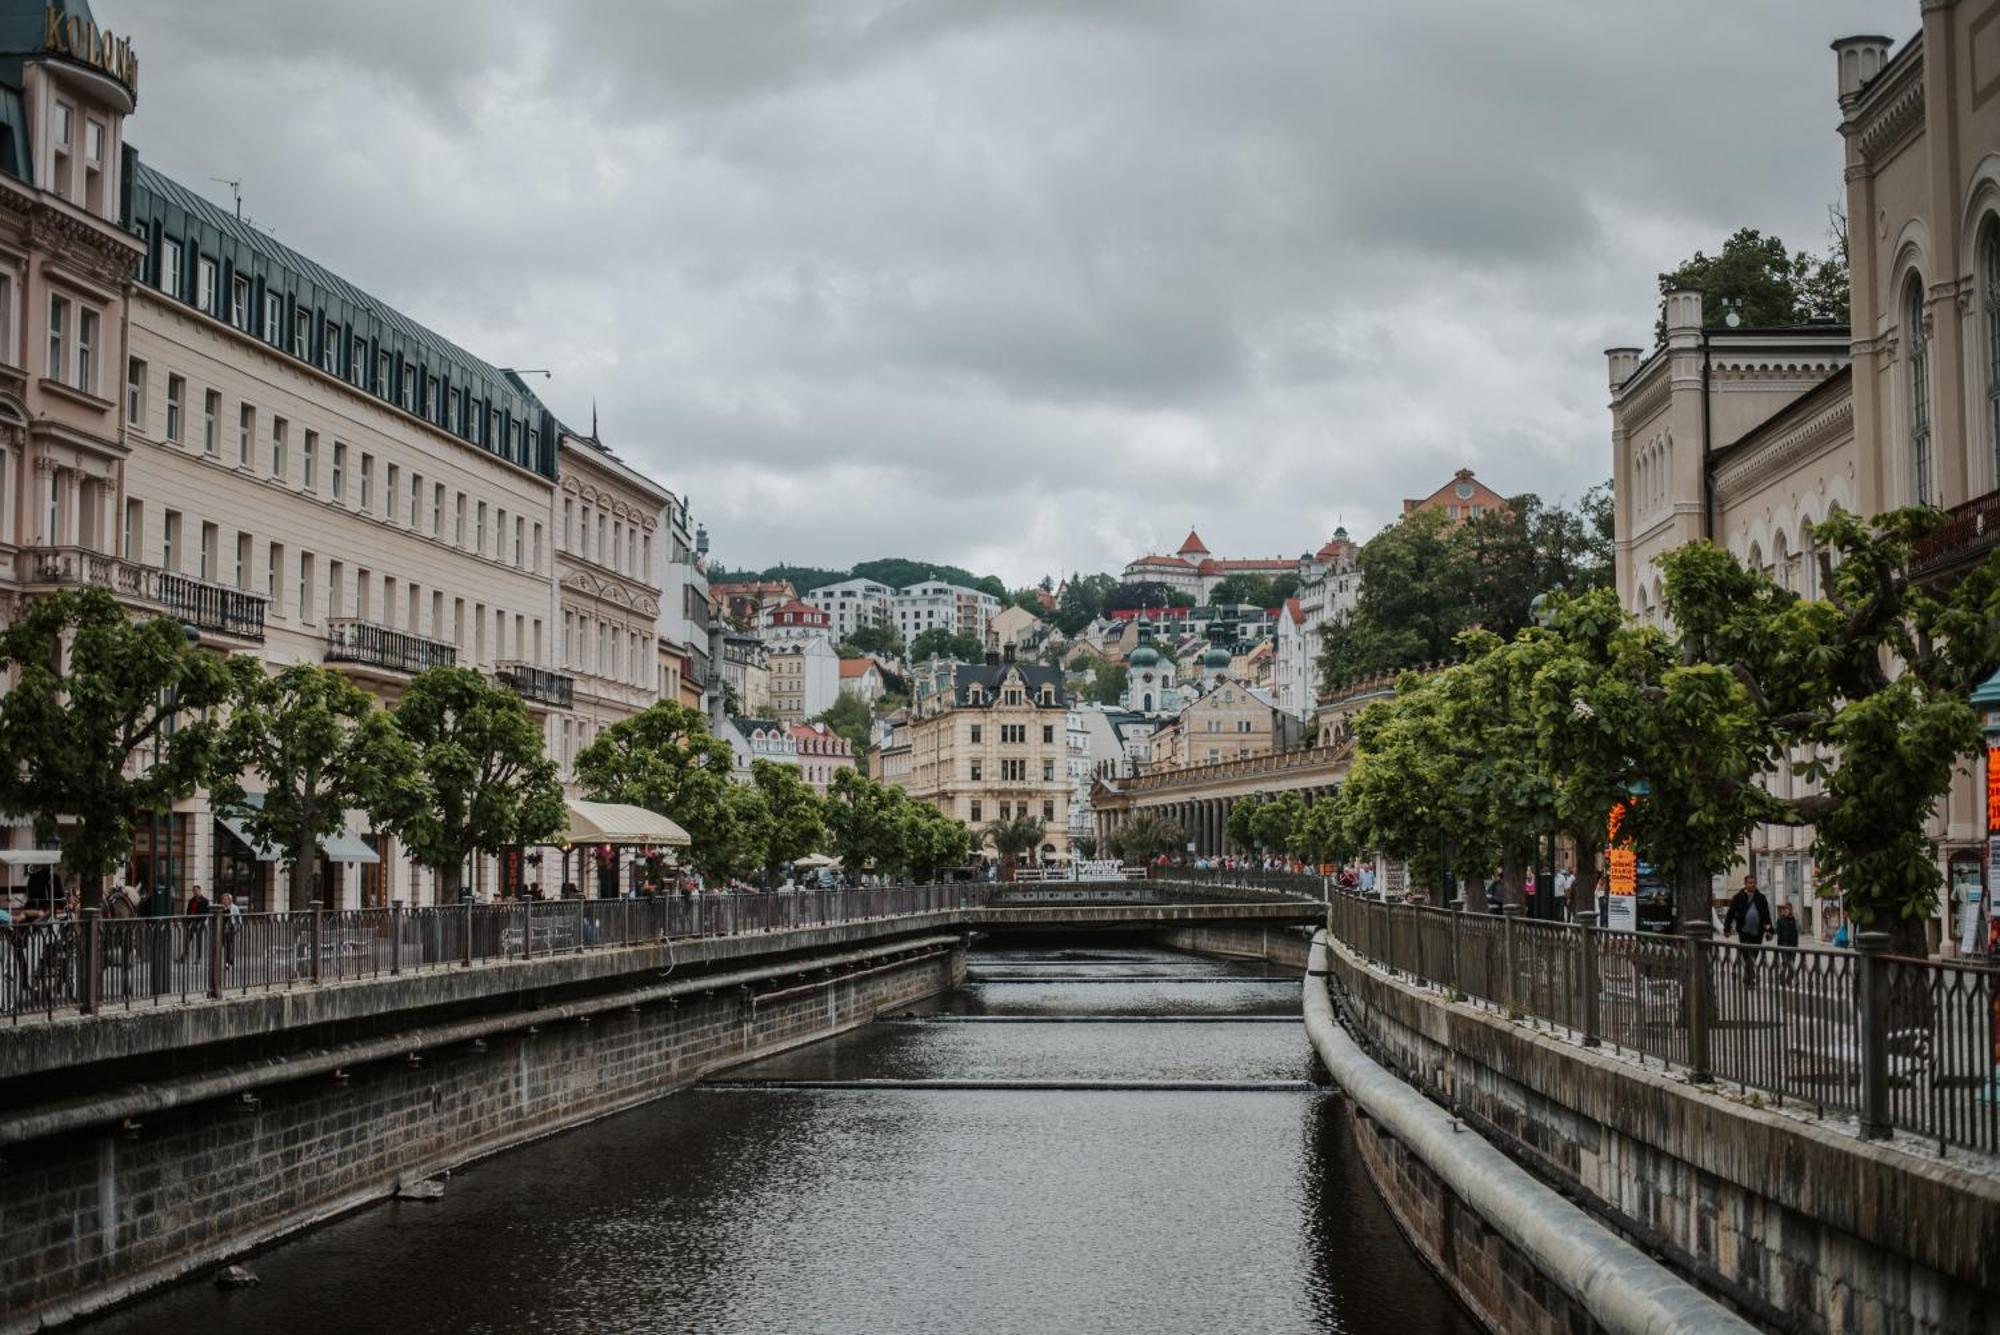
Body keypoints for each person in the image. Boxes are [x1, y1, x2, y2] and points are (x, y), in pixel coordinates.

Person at [1723, 875, 1773, 987]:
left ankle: (1748, 975)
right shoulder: (1738, 897)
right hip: (1744, 931)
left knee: (1754, 955)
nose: (1753, 884)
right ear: (1745, 884)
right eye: (1750, 882)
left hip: (1758, 932)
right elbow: (1730, 914)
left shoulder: (1761, 898)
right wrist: (1727, 929)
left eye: (1754, 882)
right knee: (1747, 955)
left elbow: (1766, 916)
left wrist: (1769, 931)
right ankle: (1750, 979)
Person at [178, 884, 212, 965]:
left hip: (199, 923)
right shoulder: (191, 900)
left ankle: (198, 958)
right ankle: (184, 956)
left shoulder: (205, 901)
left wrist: (202, 921)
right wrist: (187, 921)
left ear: (200, 891)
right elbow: (188, 911)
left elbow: (207, 912)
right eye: (194, 891)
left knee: (198, 941)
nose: (195, 892)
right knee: (187, 939)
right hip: (191, 922)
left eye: (196, 891)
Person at [1773, 901, 1800, 984]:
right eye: (1785, 909)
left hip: (1793, 944)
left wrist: (1796, 919)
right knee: (1786, 961)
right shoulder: (1780, 919)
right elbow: (1777, 931)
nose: (1786, 910)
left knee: (1791, 962)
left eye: (1788, 909)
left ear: (1791, 910)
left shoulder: (1793, 919)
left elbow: (1800, 929)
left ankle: (1788, 979)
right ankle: (1782, 978)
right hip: (1783, 944)